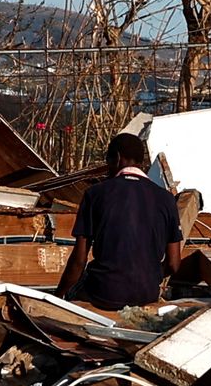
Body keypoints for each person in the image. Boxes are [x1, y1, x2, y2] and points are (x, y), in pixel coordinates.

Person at [60, 130, 181, 308]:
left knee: (73, 290)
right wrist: (149, 276)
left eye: (108, 161)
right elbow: (174, 264)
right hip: (147, 294)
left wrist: (58, 296)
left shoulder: (95, 194)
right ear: (142, 163)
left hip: (103, 293)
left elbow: (79, 261)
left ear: (116, 158)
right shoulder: (167, 199)